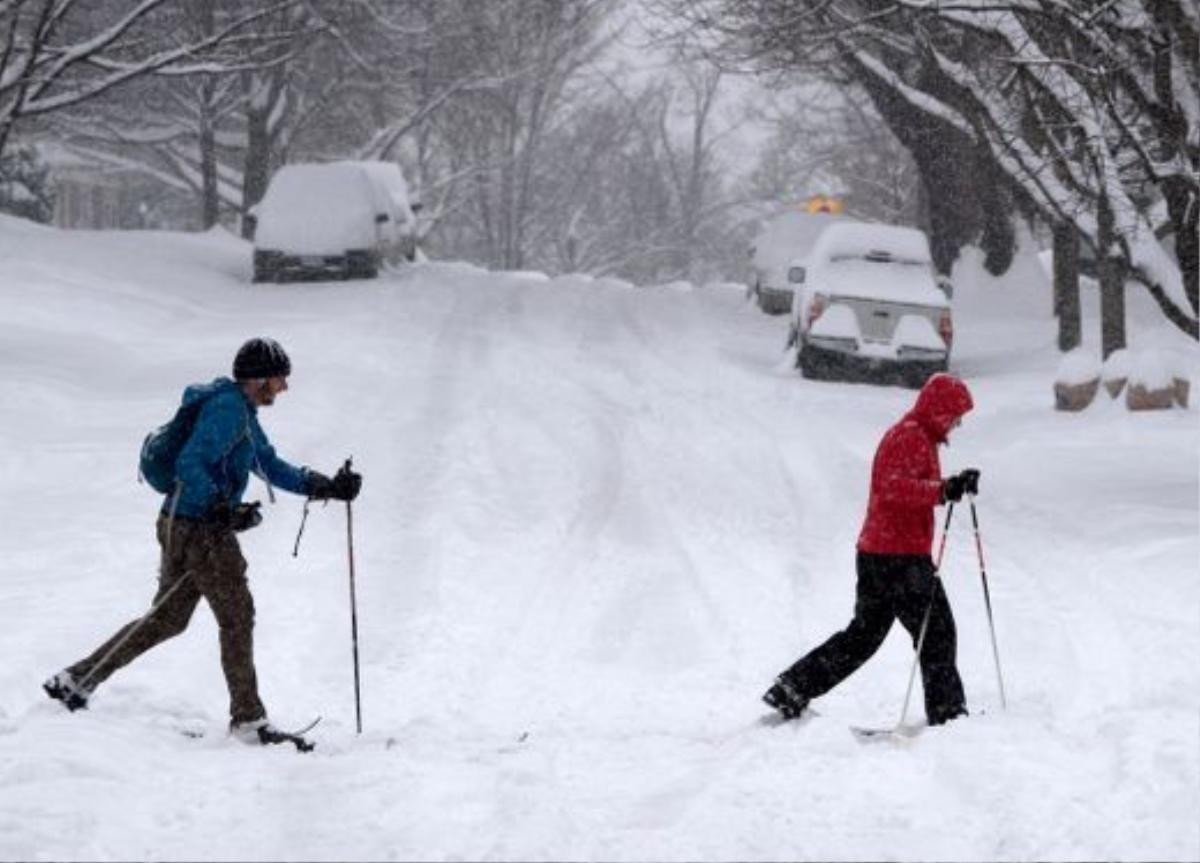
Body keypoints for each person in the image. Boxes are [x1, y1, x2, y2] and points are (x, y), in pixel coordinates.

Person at [43, 337, 362, 746]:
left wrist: (324, 486)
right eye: (281, 379)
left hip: (181, 522)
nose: (284, 387)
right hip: (201, 530)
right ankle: (248, 721)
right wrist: (219, 507)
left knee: (167, 619)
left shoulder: (239, 410)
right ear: (260, 378)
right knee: (236, 616)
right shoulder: (228, 410)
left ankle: (76, 679)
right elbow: (189, 463)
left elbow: (268, 463)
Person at [763, 373, 979, 727]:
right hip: (899, 557)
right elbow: (893, 488)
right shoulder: (910, 437)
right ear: (940, 411)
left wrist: (949, 485)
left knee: (864, 636)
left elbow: (909, 484)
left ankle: (793, 687)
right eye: (956, 415)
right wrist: (942, 490)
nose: (957, 423)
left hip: (881, 552)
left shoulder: (918, 436)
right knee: (936, 631)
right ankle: (949, 716)